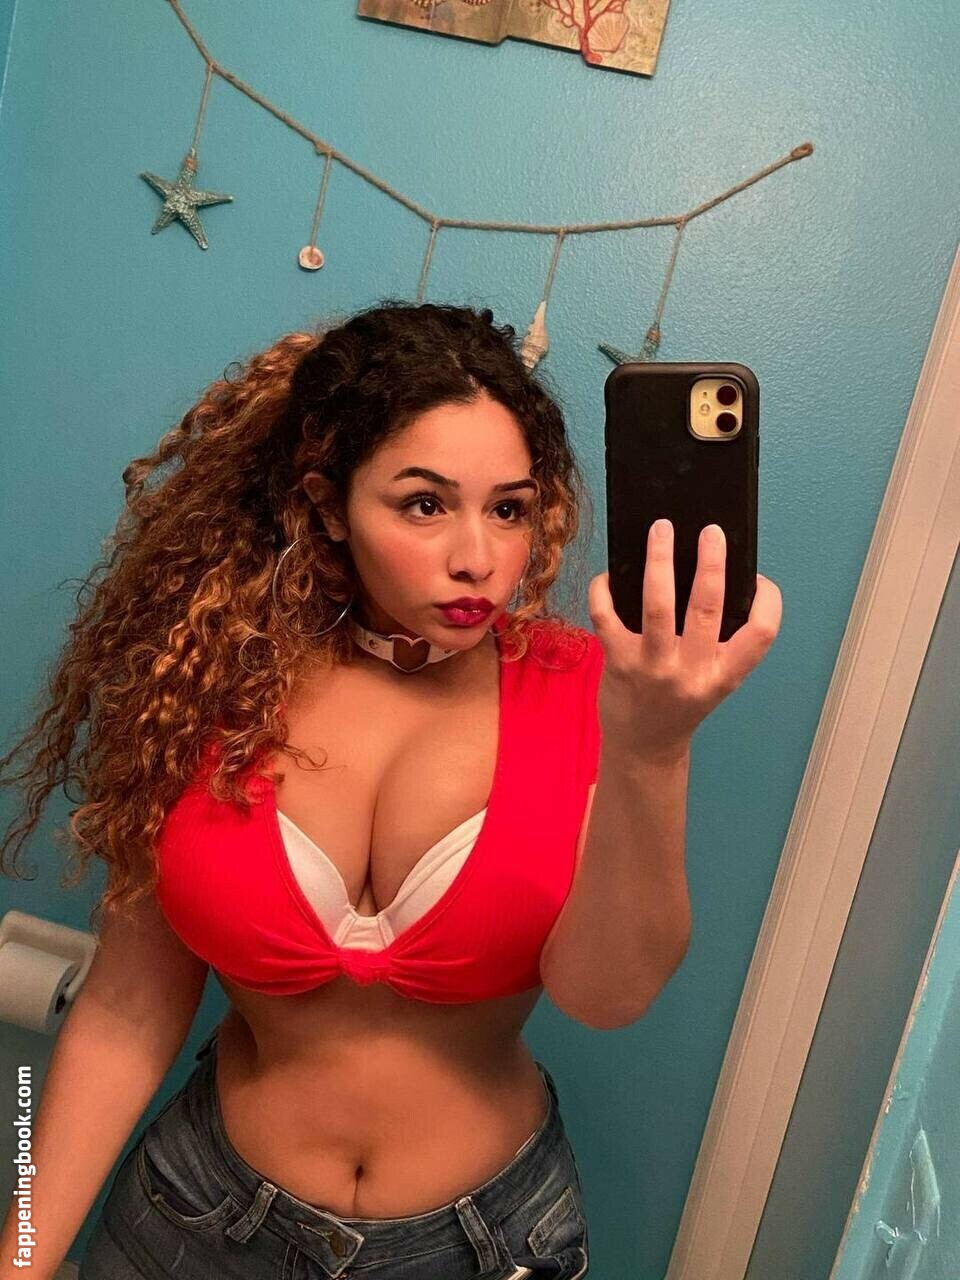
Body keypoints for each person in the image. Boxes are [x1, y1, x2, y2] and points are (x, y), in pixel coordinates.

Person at [0, 301, 606, 1280]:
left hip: (487, 1247)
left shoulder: (584, 689)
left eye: (509, 508)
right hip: (192, 1221)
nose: (479, 557)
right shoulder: (206, 685)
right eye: (424, 504)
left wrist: (660, 745)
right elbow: (124, 1013)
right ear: (327, 506)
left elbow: (612, 989)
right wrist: (22, 1255)